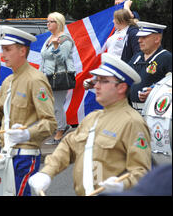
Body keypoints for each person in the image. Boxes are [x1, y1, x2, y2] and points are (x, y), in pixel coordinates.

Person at [29, 53, 152, 196]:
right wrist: (47, 172)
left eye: (103, 81)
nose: (96, 86)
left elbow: (142, 171)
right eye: (96, 81)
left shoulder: (133, 122)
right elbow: (69, 146)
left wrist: (122, 185)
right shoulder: (93, 118)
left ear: (121, 87)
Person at [0, 26, 57, 196]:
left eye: (8, 49)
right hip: (6, 153)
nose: (3, 54)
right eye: (2, 49)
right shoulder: (9, 80)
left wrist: (27, 134)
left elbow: (50, 122)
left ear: (22, 50)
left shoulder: (36, 80)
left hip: (25, 155)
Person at [40, 12, 75, 144]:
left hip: (59, 77)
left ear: (58, 23)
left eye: (51, 21)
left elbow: (62, 58)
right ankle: (59, 127)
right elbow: (43, 58)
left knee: (56, 105)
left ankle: (61, 130)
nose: (47, 24)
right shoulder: (50, 38)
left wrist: (55, 47)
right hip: (47, 76)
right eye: (47, 21)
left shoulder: (65, 39)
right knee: (49, 105)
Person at [128, 21, 172, 112]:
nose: (139, 40)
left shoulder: (166, 58)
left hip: (154, 112)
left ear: (157, 39)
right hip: (133, 111)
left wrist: (155, 93)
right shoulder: (137, 57)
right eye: (139, 37)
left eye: (144, 37)